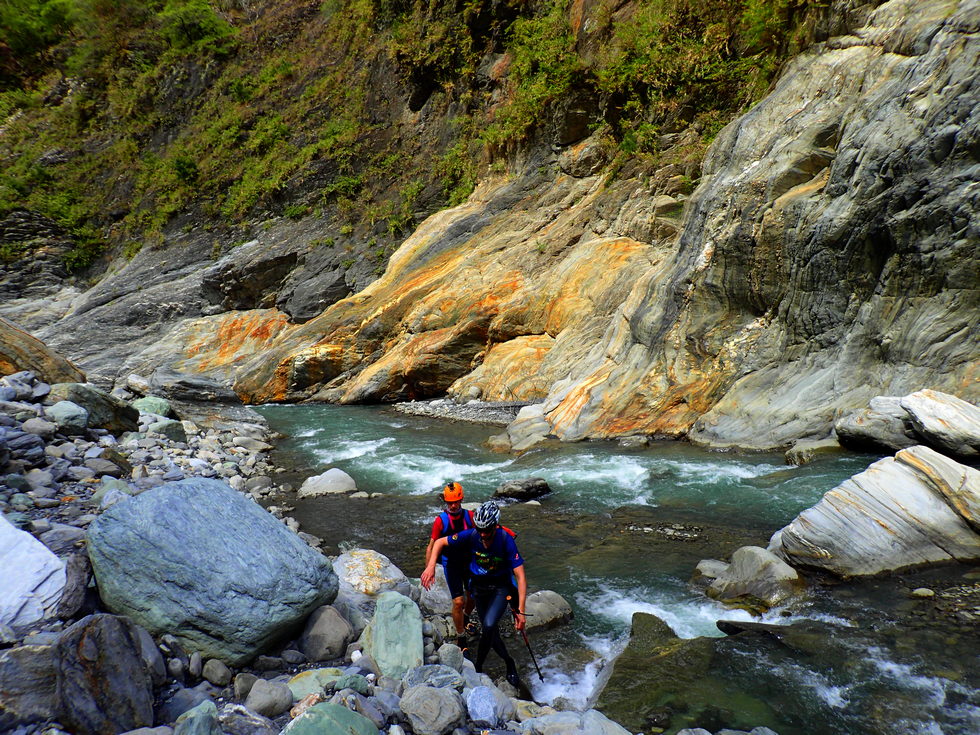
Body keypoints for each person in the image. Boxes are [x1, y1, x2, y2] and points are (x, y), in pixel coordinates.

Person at [422, 500, 526, 687]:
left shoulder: (505, 539)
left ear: (495, 525)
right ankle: (509, 662)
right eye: (480, 530)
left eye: (487, 530)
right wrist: (430, 566)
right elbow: (438, 542)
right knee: (491, 631)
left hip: (501, 589)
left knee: (488, 625)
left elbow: (520, 577)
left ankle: (477, 667)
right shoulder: (471, 535)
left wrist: (520, 609)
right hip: (480, 589)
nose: (483, 535)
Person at [425, 481, 477, 648]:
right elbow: (432, 546)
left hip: (469, 562)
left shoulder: (470, 516)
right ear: (445, 502)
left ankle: (466, 617)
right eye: (450, 502)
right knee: (458, 602)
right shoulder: (441, 521)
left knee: (473, 595)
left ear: (461, 500)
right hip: (452, 564)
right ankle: (461, 636)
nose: (453, 505)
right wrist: (428, 568)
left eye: (456, 501)